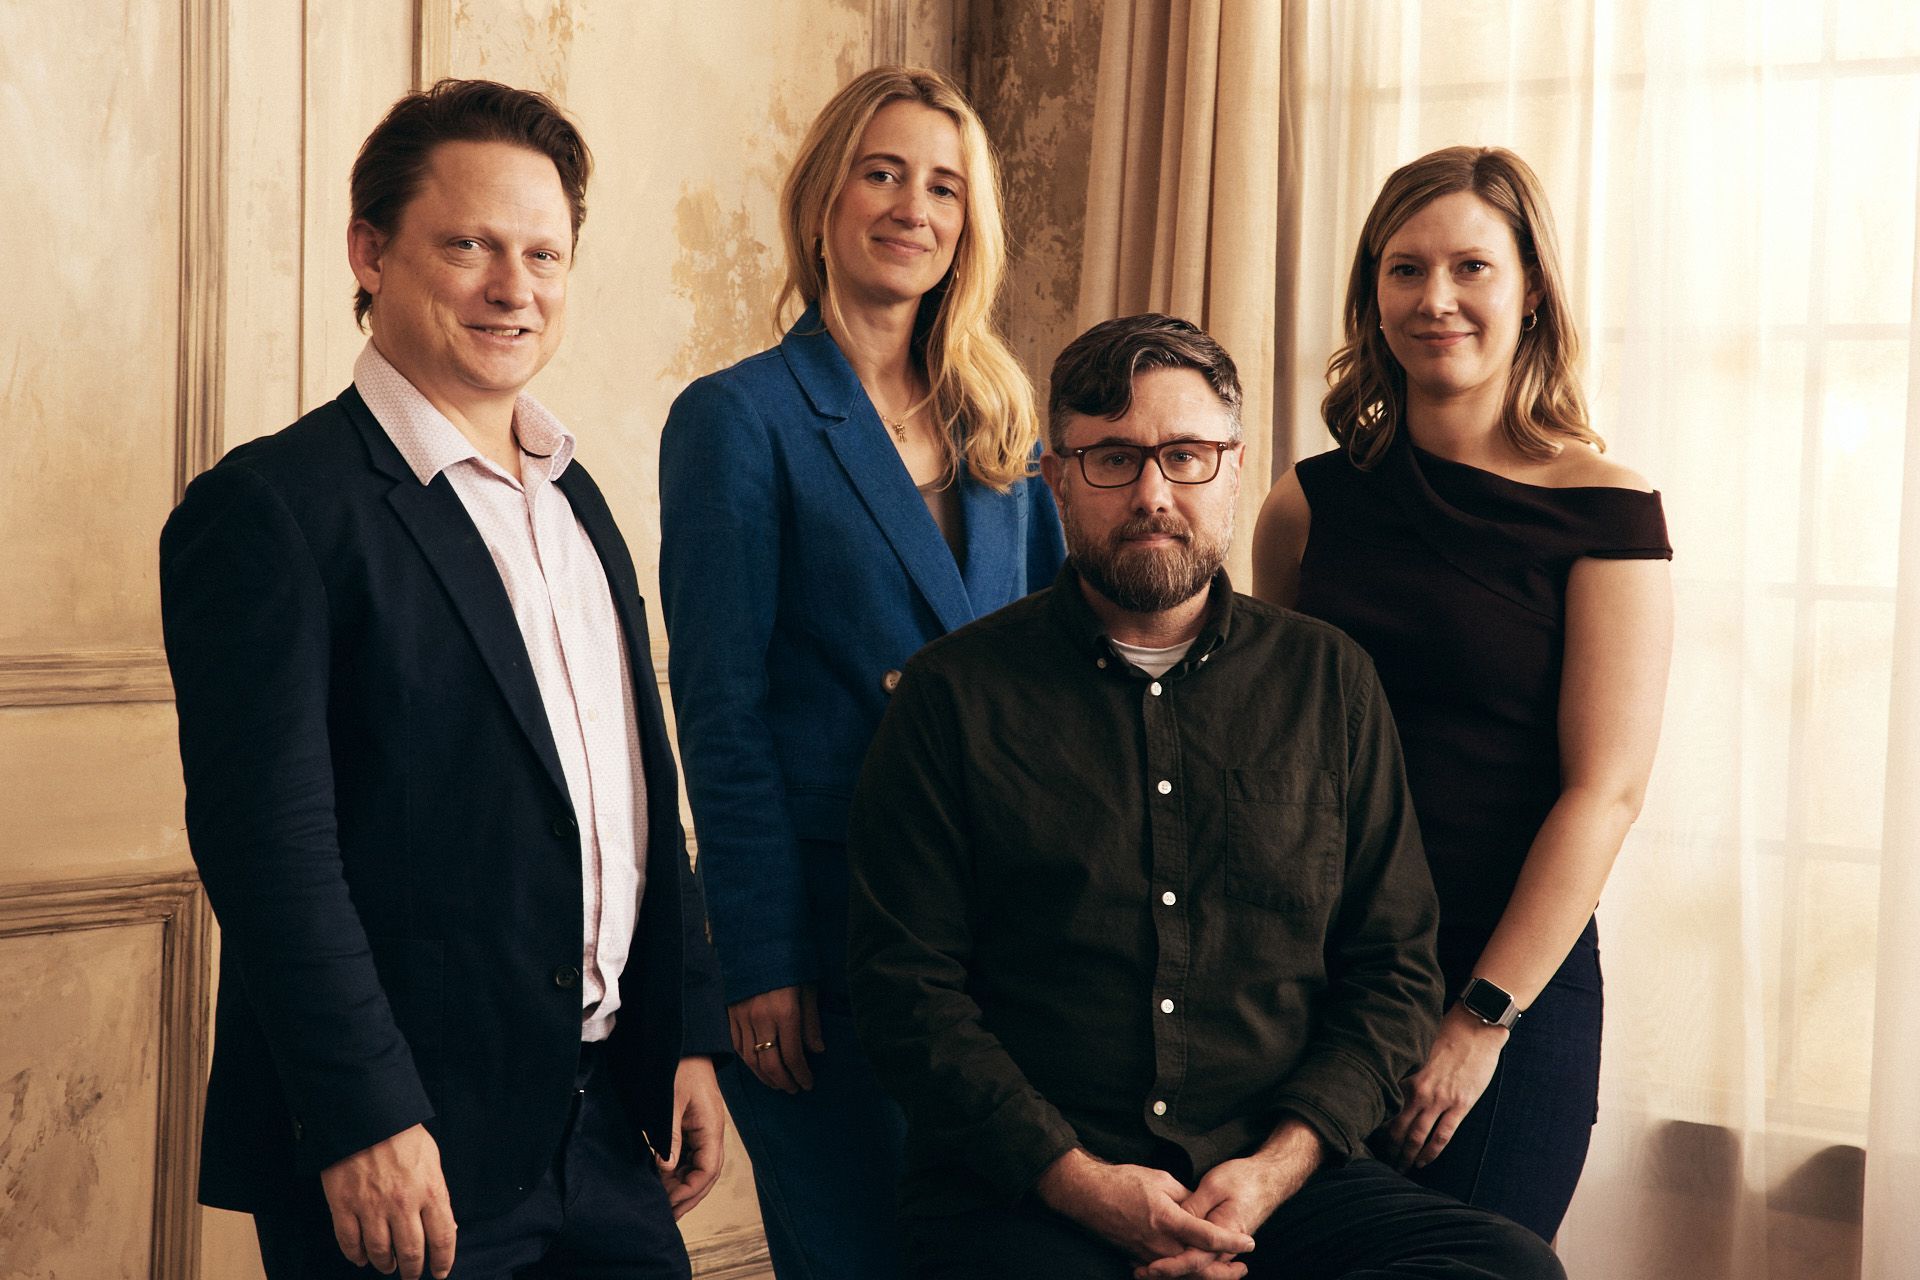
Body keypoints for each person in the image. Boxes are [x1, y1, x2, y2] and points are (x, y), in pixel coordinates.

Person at [847, 312, 1565, 1280]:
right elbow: (907, 990)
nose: (1153, 493)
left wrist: (1274, 1168)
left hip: (1282, 1185)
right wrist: (1084, 1182)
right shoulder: (951, 695)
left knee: (1512, 1270)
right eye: (1112, 459)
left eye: (1185, 455)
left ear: (1234, 469)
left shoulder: (1330, 682)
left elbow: (1394, 970)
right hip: (1029, 1190)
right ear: (1055, 479)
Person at [160, 80, 729, 1280]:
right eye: (468, 245)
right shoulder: (268, 510)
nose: (512, 287)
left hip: (603, 1122)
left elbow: (630, 786)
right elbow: (269, 848)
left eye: (542, 253)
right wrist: (363, 1110)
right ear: (370, 251)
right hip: (402, 1146)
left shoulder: (575, 493)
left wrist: (681, 1030)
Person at [656, 64, 1063, 1278]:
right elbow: (718, 712)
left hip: (1003, 940)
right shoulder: (739, 416)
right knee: (854, 1252)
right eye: (881, 173)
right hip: (829, 938)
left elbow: (1056, 679)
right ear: (825, 200)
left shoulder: (1005, 425)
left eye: (943, 185)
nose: (912, 207)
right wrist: (760, 955)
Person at [1251, 146, 1673, 1241]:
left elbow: (1605, 793)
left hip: (1507, 987)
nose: (1435, 299)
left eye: (1472, 268)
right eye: (1405, 269)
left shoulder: (1608, 513)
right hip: (1318, 982)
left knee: (1475, 1264)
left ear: (1531, 290)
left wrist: (1478, 1022)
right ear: (1373, 295)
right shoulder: (1307, 503)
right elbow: (1266, 757)